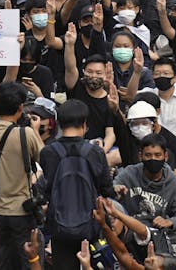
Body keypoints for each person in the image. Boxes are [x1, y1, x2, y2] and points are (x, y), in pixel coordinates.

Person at [0, 81, 42, 270]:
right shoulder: (26, 134)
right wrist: (35, 131)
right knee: (28, 261)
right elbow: (44, 159)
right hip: (22, 210)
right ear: (20, 108)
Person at [39, 99, 114, 270]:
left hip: (59, 226)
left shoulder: (48, 152)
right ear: (84, 124)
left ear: (59, 123)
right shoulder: (95, 152)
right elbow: (106, 189)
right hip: (90, 224)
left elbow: (45, 189)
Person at [113, 133, 176, 259]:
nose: (153, 159)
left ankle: (141, 249)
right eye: (148, 155)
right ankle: (167, 248)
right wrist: (114, 190)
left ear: (165, 156)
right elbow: (110, 191)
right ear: (140, 156)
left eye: (157, 155)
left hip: (156, 229)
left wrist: (169, 222)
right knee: (112, 207)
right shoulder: (129, 172)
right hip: (131, 227)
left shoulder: (174, 182)